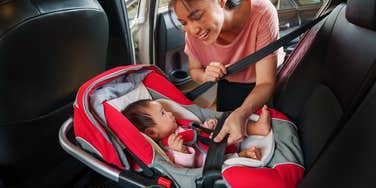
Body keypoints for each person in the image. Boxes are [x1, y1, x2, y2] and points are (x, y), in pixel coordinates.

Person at [169, 0, 284, 145]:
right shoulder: (193, 35)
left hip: (264, 88)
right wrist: (205, 76)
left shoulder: (262, 14)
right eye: (183, 22)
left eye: (197, 17)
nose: (192, 30)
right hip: (228, 85)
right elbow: (194, 70)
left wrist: (241, 113)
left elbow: (266, 82)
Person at [122, 99, 272, 168]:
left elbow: (197, 130)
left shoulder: (179, 125)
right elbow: (185, 169)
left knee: (228, 122)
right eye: (163, 113)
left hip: (213, 139)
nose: (169, 113)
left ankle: (258, 128)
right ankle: (243, 156)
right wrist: (181, 152)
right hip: (212, 160)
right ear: (152, 132)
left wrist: (206, 125)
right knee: (227, 162)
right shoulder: (167, 148)